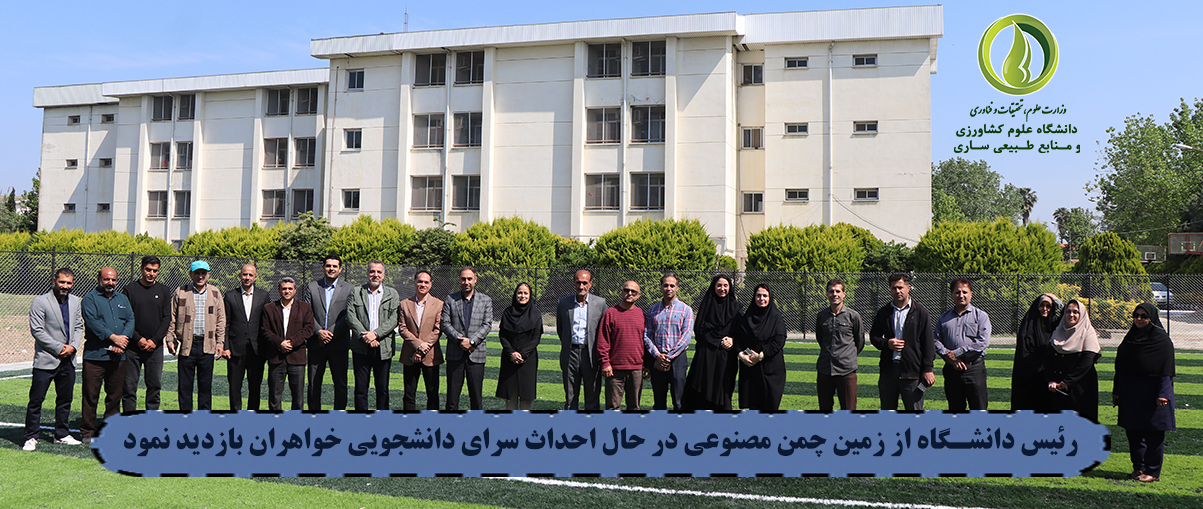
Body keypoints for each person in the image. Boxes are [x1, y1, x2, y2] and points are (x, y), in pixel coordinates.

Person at [1114, 302, 1176, 483]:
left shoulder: (1161, 340)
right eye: (1136, 316)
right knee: (1133, 432)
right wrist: (1117, 391)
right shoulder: (1130, 338)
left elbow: (1166, 370)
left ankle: (1152, 471)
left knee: (1153, 433)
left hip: (1153, 393)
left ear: (1152, 318)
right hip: (1131, 391)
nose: (1139, 319)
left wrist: (1163, 393)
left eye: (1144, 316)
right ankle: (1139, 467)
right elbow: (1120, 368)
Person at [24, 268, 84, 451]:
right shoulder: (40, 301)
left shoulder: (76, 301)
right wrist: (60, 348)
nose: (65, 286)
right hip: (46, 359)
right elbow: (37, 331)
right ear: (54, 280)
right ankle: (31, 436)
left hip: (68, 360)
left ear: (73, 284)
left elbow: (79, 327)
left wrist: (73, 347)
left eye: (69, 283)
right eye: (62, 282)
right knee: (36, 400)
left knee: (65, 400)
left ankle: (62, 434)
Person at [166, 260, 227, 412]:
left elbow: (221, 320)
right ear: (190, 274)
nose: (200, 276)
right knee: (185, 386)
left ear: (208, 274)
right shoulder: (181, 291)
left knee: (205, 386)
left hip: (207, 345)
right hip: (187, 345)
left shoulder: (215, 292)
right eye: (197, 273)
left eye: (203, 273)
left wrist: (220, 343)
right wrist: (170, 339)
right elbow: (172, 317)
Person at [80, 267, 133, 442]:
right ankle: (88, 431)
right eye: (106, 279)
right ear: (99, 279)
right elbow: (93, 323)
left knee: (114, 396)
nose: (110, 282)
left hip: (118, 356)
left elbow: (130, 319)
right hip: (95, 356)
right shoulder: (89, 299)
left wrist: (122, 341)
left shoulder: (122, 299)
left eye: (113, 280)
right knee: (91, 395)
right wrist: (114, 338)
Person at [869, 273, 935, 411]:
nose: (897, 291)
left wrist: (928, 369)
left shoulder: (920, 312)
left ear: (908, 288)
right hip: (888, 371)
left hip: (912, 371)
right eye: (894, 288)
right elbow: (874, 337)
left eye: (900, 287)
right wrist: (887, 343)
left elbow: (928, 342)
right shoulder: (884, 312)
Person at [347, 261, 400, 411]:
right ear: (367, 273)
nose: (375, 275)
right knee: (360, 389)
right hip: (361, 347)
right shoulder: (356, 292)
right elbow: (350, 316)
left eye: (378, 272)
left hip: (383, 347)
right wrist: (366, 336)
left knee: (382, 389)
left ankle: (382, 420)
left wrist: (375, 335)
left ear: (383, 275)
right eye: (372, 271)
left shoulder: (392, 293)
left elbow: (394, 319)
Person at [682, 274, 740, 411]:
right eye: (719, 285)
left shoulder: (736, 307)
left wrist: (733, 340)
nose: (722, 289)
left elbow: (742, 330)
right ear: (714, 287)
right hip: (706, 354)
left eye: (725, 285)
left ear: (730, 287)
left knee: (723, 391)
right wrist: (717, 340)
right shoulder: (707, 305)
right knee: (702, 389)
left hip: (726, 356)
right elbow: (699, 329)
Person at [303, 254, 353, 411]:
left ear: (340, 269)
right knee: (313, 383)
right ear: (323, 267)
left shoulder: (349, 289)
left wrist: (329, 333)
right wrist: (319, 331)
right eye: (328, 265)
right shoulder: (312, 287)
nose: (331, 269)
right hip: (316, 343)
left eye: (334, 266)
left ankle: (339, 416)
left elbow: (349, 315)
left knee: (340, 383)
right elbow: (307, 313)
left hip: (339, 344)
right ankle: (314, 416)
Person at [122, 255, 171, 412]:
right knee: (129, 386)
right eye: (148, 270)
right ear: (142, 269)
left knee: (154, 386)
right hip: (133, 347)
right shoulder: (129, 290)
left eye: (155, 271)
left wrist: (155, 340)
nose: (151, 273)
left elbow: (167, 318)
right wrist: (138, 338)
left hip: (155, 348)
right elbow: (125, 318)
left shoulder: (164, 290)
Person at [934, 279, 991, 411]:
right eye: (957, 292)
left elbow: (982, 342)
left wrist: (957, 353)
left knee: (979, 409)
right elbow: (935, 340)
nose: (961, 295)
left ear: (971, 294)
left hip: (974, 370)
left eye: (965, 292)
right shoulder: (943, 318)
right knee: (955, 411)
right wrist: (949, 357)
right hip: (951, 370)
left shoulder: (981, 316)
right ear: (951, 295)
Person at [442, 267, 492, 410]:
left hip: (476, 354)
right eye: (463, 279)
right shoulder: (451, 299)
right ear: (459, 280)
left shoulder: (485, 300)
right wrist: (460, 340)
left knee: (476, 399)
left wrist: (471, 341)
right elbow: (445, 323)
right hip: (455, 354)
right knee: (452, 399)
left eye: (469, 279)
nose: (466, 282)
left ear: (475, 280)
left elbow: (487, 324)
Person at [557, 269, 607, 411]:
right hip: (570, 354)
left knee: (592, 397)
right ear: (574, 283)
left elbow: (603, 330)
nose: (581, 286)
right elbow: (561, 329)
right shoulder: (563, 303)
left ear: (590, 283)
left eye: (585, 283)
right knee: (570, 399)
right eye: (578, 282)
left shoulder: (600, 303)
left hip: (591, 355)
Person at [262, 277, 314, 410]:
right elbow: (265, 330)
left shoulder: (305, 307)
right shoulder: (269, 308)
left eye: (290, 288)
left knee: (298, 398)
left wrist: (291, 342)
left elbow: (308, 329)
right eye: (284, 288)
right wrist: (280, 343)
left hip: (297, 358)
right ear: (279, 290)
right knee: (274, 397)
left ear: (295, 290)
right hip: (276, 357)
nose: (287, 291)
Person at [643, 273, 694, 411]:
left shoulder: (686, 309)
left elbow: (686, 336)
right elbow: (647, 335)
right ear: (661, 287)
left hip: (677, 359)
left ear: (677, 288)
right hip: (657, 359)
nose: (668, 288)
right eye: (665, 285)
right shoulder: (652, 310)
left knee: (679, 402)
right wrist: (658, 355)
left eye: (672, 285)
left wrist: (669, 357)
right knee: (659, 402)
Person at [1046, 299, 1101, 424]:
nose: (1071, 315)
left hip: (1081, 389)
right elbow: (1048, 359)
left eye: (1075, 312)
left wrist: (1068, 381)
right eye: (1068, 311)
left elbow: (1087, 361)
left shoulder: (1088, 332)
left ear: (1082, 314)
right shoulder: (1058, 332)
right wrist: (1051, 380)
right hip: (1058, 388)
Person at [223, 264, 269, 411]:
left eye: (250, 275)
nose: (247, 277)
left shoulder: (263, 296)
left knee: (255, 386)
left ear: (255, 277)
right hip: (235, 350)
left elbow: (266, 324)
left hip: (257, 350)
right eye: (244, 274)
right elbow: (226, 324)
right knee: (234, 386)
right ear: (240, 276)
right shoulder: (230, 296)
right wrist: (226, 347)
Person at [734, 284, 787, 411]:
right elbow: (739, 339)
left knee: (770, 409)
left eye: (765, 295)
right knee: (753, 408)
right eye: (758, 295)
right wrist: (742, 355)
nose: (761, 298)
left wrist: (761, 356)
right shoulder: (747, 317)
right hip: (751, 369)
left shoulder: (776, 317)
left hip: (771, 369)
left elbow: (779, 341)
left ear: (770, 297)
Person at [814, 278, 864, 412]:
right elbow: (821, 339)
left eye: (838, 291)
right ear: (827, 294)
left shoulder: (853, 316)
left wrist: (846, 356)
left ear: (844, 294)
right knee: (824, 410)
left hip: (846, 370)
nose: (834, 294)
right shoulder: (821, 316)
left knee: (848, 411)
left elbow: (859, 342)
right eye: (831, 291)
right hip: (825, 369)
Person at [399, 270, 444, 411]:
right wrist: (419, 345)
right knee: (409, 394)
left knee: (432, 394)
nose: (422, 284)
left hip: (431, 355)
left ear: (430, 285)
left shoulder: (439, 304)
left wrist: (424, 348)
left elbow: (438, 329)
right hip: (410, 355)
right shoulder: (404, 304)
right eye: (420, 281)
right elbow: (402, 329)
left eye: (426, 282)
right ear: (414, 283)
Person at [597, 281, 646, 411]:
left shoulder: (641, 315)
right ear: (621, 292)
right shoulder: (610, 313)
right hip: (614, 370)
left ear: (638, 295)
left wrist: (647, 364)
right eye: (626, 290)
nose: (629, 293)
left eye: (633, 291)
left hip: (636, 369)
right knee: (612, 408)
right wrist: (605, 363)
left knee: (634, 407)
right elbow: (603, 340)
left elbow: (645, 341)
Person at [497, 282, 543, 410]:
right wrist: (511, 353)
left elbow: (536, 338)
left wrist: (522, 354)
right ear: (515, 295)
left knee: (526, 400)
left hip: (527, 361)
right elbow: (503, 336)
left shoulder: (536, 314)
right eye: (520, 293)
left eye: (525, 293)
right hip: (509, 360)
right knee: (510, 400)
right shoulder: (508, 312)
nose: (522, 296)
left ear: (530, 295)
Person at [1012, 293, 1060, 412]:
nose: (1045, 309)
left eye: (1048, 306)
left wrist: (1057, 300)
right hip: (1030, 375)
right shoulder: (1029, 324)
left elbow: (1067, 314)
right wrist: (1038, 364)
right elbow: (1023, 351)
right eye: (1042, 305)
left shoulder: (1054, 324)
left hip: (1049, 375)